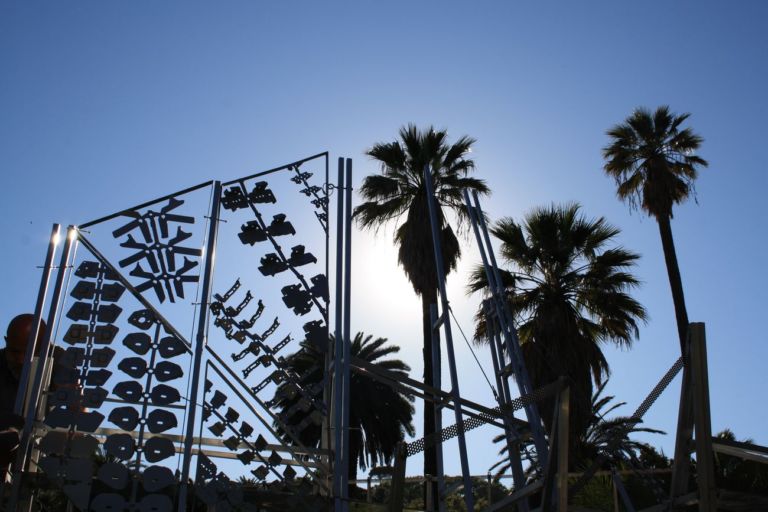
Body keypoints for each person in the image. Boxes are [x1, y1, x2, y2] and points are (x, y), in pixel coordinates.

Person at [0, 314, 46, 468]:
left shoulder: (60, 362)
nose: (20, 360)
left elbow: (79, 423)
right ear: (6, 342)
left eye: (27, 353)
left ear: (43, 348)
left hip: (37, 457)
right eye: (14, 352)